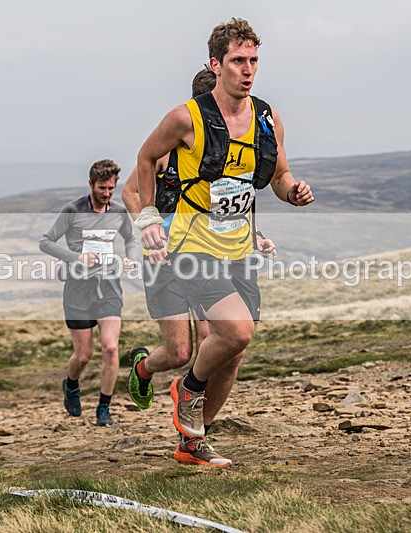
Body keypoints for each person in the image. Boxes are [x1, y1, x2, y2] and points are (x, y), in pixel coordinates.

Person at [134, 18, 313, 467]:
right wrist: (148, 216)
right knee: (237, 330)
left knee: (233, 352)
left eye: (253, 60)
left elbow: (278, 175)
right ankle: (187, 388)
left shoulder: (268, 118)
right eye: (237, 61)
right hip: (193, 246)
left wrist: (292, 191)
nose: (247, 69)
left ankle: (193, 441)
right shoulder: (186, 118)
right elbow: (146, 156)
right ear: (216, 65)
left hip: (238, 248)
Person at [122, 67, 276, 467]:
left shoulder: (229, 149)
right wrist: (148, 228)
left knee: (222, 341)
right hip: (164, 255)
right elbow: (130, 190)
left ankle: (193, 437)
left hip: (206, 254)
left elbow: (231, 203)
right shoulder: (174, 144)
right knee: (178, 351)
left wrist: (254, 236)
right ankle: (143, 369)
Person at [39, 159, 138, 426]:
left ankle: (104, 409)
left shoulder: (118, 211)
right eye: (102, 188)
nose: (106, 193)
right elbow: (45, 242)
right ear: (91, 184)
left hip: (108, 286)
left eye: (111, 188)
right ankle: (71, 384)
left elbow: (131, 238)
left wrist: (130, 259)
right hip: (78, 289)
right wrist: (76, 257)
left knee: (111, 348)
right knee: (83, 356)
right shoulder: (73, 210)